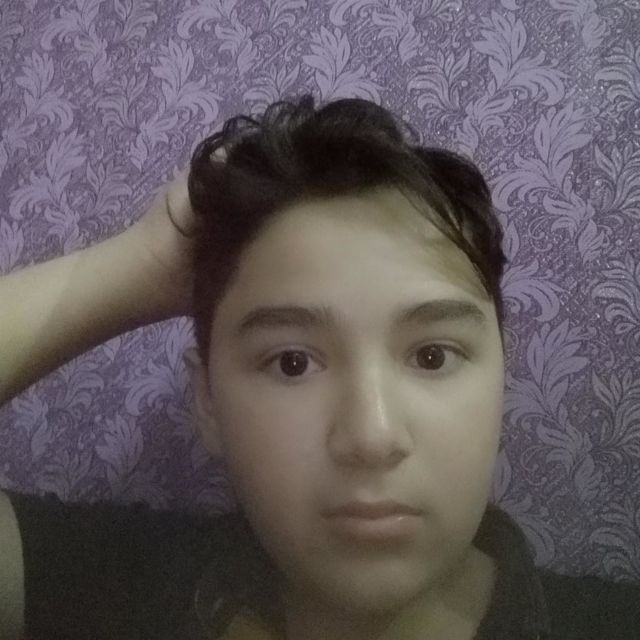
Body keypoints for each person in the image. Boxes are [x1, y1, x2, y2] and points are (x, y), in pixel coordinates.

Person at [0, 95, 638, 640]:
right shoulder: (115, 587)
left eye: (432, 355)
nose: (372, 437)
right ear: (208, 403)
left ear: (502, 379)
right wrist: (136, 266)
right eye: (292, 362)